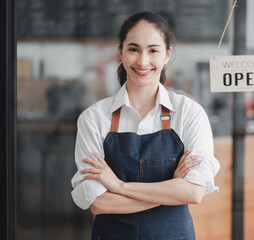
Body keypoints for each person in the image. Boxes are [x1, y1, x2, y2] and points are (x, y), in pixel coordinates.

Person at [71, 11, 220, 240]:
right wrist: (172, 189)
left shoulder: (189, 113)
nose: (142, 61)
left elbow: (194, 191)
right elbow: (98, 203)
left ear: (167, 54)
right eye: (133, 49)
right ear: (120, 51)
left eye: (153, 50)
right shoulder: (93, 119)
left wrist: (118, 186)